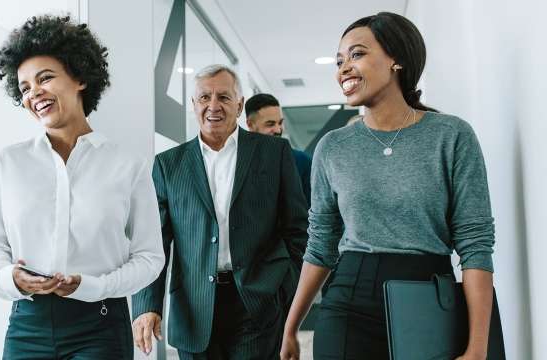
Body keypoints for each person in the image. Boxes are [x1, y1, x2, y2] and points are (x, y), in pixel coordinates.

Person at [281, 12, 495, 360]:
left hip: (427, 298)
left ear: (396, 59)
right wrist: (291, 327)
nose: (343, 68)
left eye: (357, 54)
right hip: (349, 298)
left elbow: (475, 244)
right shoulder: (333, 146)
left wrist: (478, 347)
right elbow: (321, 244)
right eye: (339, 60)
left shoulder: (451, 136)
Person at [0, 15, 165, 359]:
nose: (34, 92)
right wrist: (12, 279)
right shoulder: (8, 163)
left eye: (45, 78)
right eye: (24, 87)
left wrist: (95, 287)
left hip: (101, 325)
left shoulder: (128, 165)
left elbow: (150, 257)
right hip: (27, 326)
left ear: (79, 77)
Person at [131, 64, 308, 359]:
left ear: (239, 105)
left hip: (257, 303)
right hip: (194, 307)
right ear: (193, 105)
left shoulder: (273, 153)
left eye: (224, 97)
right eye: (204, 97)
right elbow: (153, 242)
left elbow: (297, 229)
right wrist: (147, 305)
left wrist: (283, 287)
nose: (213, 106)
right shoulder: (168, 164)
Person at [245, 93, 312, 207]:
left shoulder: (301, 161)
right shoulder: (239, 162)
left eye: (280, 123)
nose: (278, 129)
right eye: (270, 124)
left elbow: (313, 209)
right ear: (250, 125)